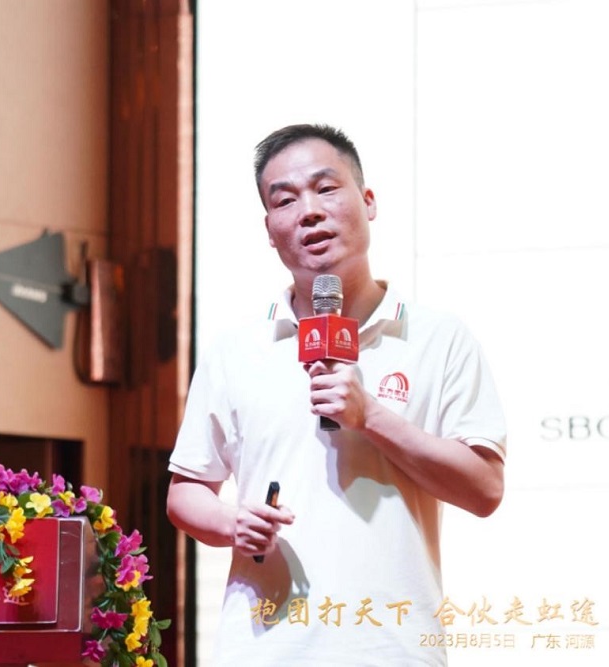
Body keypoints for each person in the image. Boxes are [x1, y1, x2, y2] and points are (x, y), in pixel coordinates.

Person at [166, 123, 506, 665]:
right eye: (285, 200)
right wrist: (233, 523)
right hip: (265, 650)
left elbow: (484, 490)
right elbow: (186, 493)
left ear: (368, 201)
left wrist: (370, 416)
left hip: (393, 649)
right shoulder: (236, 350)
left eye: (326, 189)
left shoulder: (439, 338)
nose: (309, 212)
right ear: (270, 228)